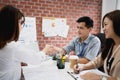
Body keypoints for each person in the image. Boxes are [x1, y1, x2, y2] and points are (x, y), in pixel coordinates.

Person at [0, 5, 53, 80]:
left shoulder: (4, 43)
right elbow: (36, 59)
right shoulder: (12, 47)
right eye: (20, 23)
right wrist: (45, 50)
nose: (21, 26)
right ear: (12, 25)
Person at [74, 10, 120, 80]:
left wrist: (101, 78)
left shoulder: (95, 41)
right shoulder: (111, 45)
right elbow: (97, 62)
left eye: (106, 25)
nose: (103, 29)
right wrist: (82, 67)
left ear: (117, 24)